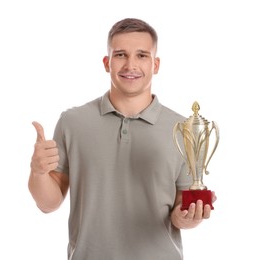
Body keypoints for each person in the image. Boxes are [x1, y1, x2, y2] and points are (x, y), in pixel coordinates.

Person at [28, 18, 216, 260]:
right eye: (120, 55)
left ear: (155, 64)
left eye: (141, 55)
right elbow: (48, 204)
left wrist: (187, 218)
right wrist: (38, 172)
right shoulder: (72, 122)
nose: (130, 65)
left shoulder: (182, 129)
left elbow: (180, 212)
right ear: (107, 63)